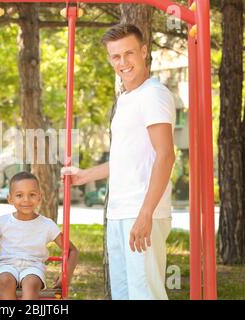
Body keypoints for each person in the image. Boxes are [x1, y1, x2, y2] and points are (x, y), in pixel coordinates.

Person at [62, 24, 176, 300]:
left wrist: (146, 213)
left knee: (145, 294)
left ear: (144, 51)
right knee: (125, 294)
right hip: (118, 211)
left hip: (141, 211)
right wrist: (86, 175)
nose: (123, 62)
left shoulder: (153, 94)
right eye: (116, 56)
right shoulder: (126, 98)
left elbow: (165, 155)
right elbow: (127, 158)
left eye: (129, 53)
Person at [0, 171, 78, 300]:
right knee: (5, 281)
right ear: (10, 199)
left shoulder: (47, 225)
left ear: (40, 197)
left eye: (32, 194)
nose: (26, 200)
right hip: (6, 265)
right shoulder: (3, 222)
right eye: (19, 195)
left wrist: (66, 276)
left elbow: (72, 250)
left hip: (33, 267)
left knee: (31, 283)